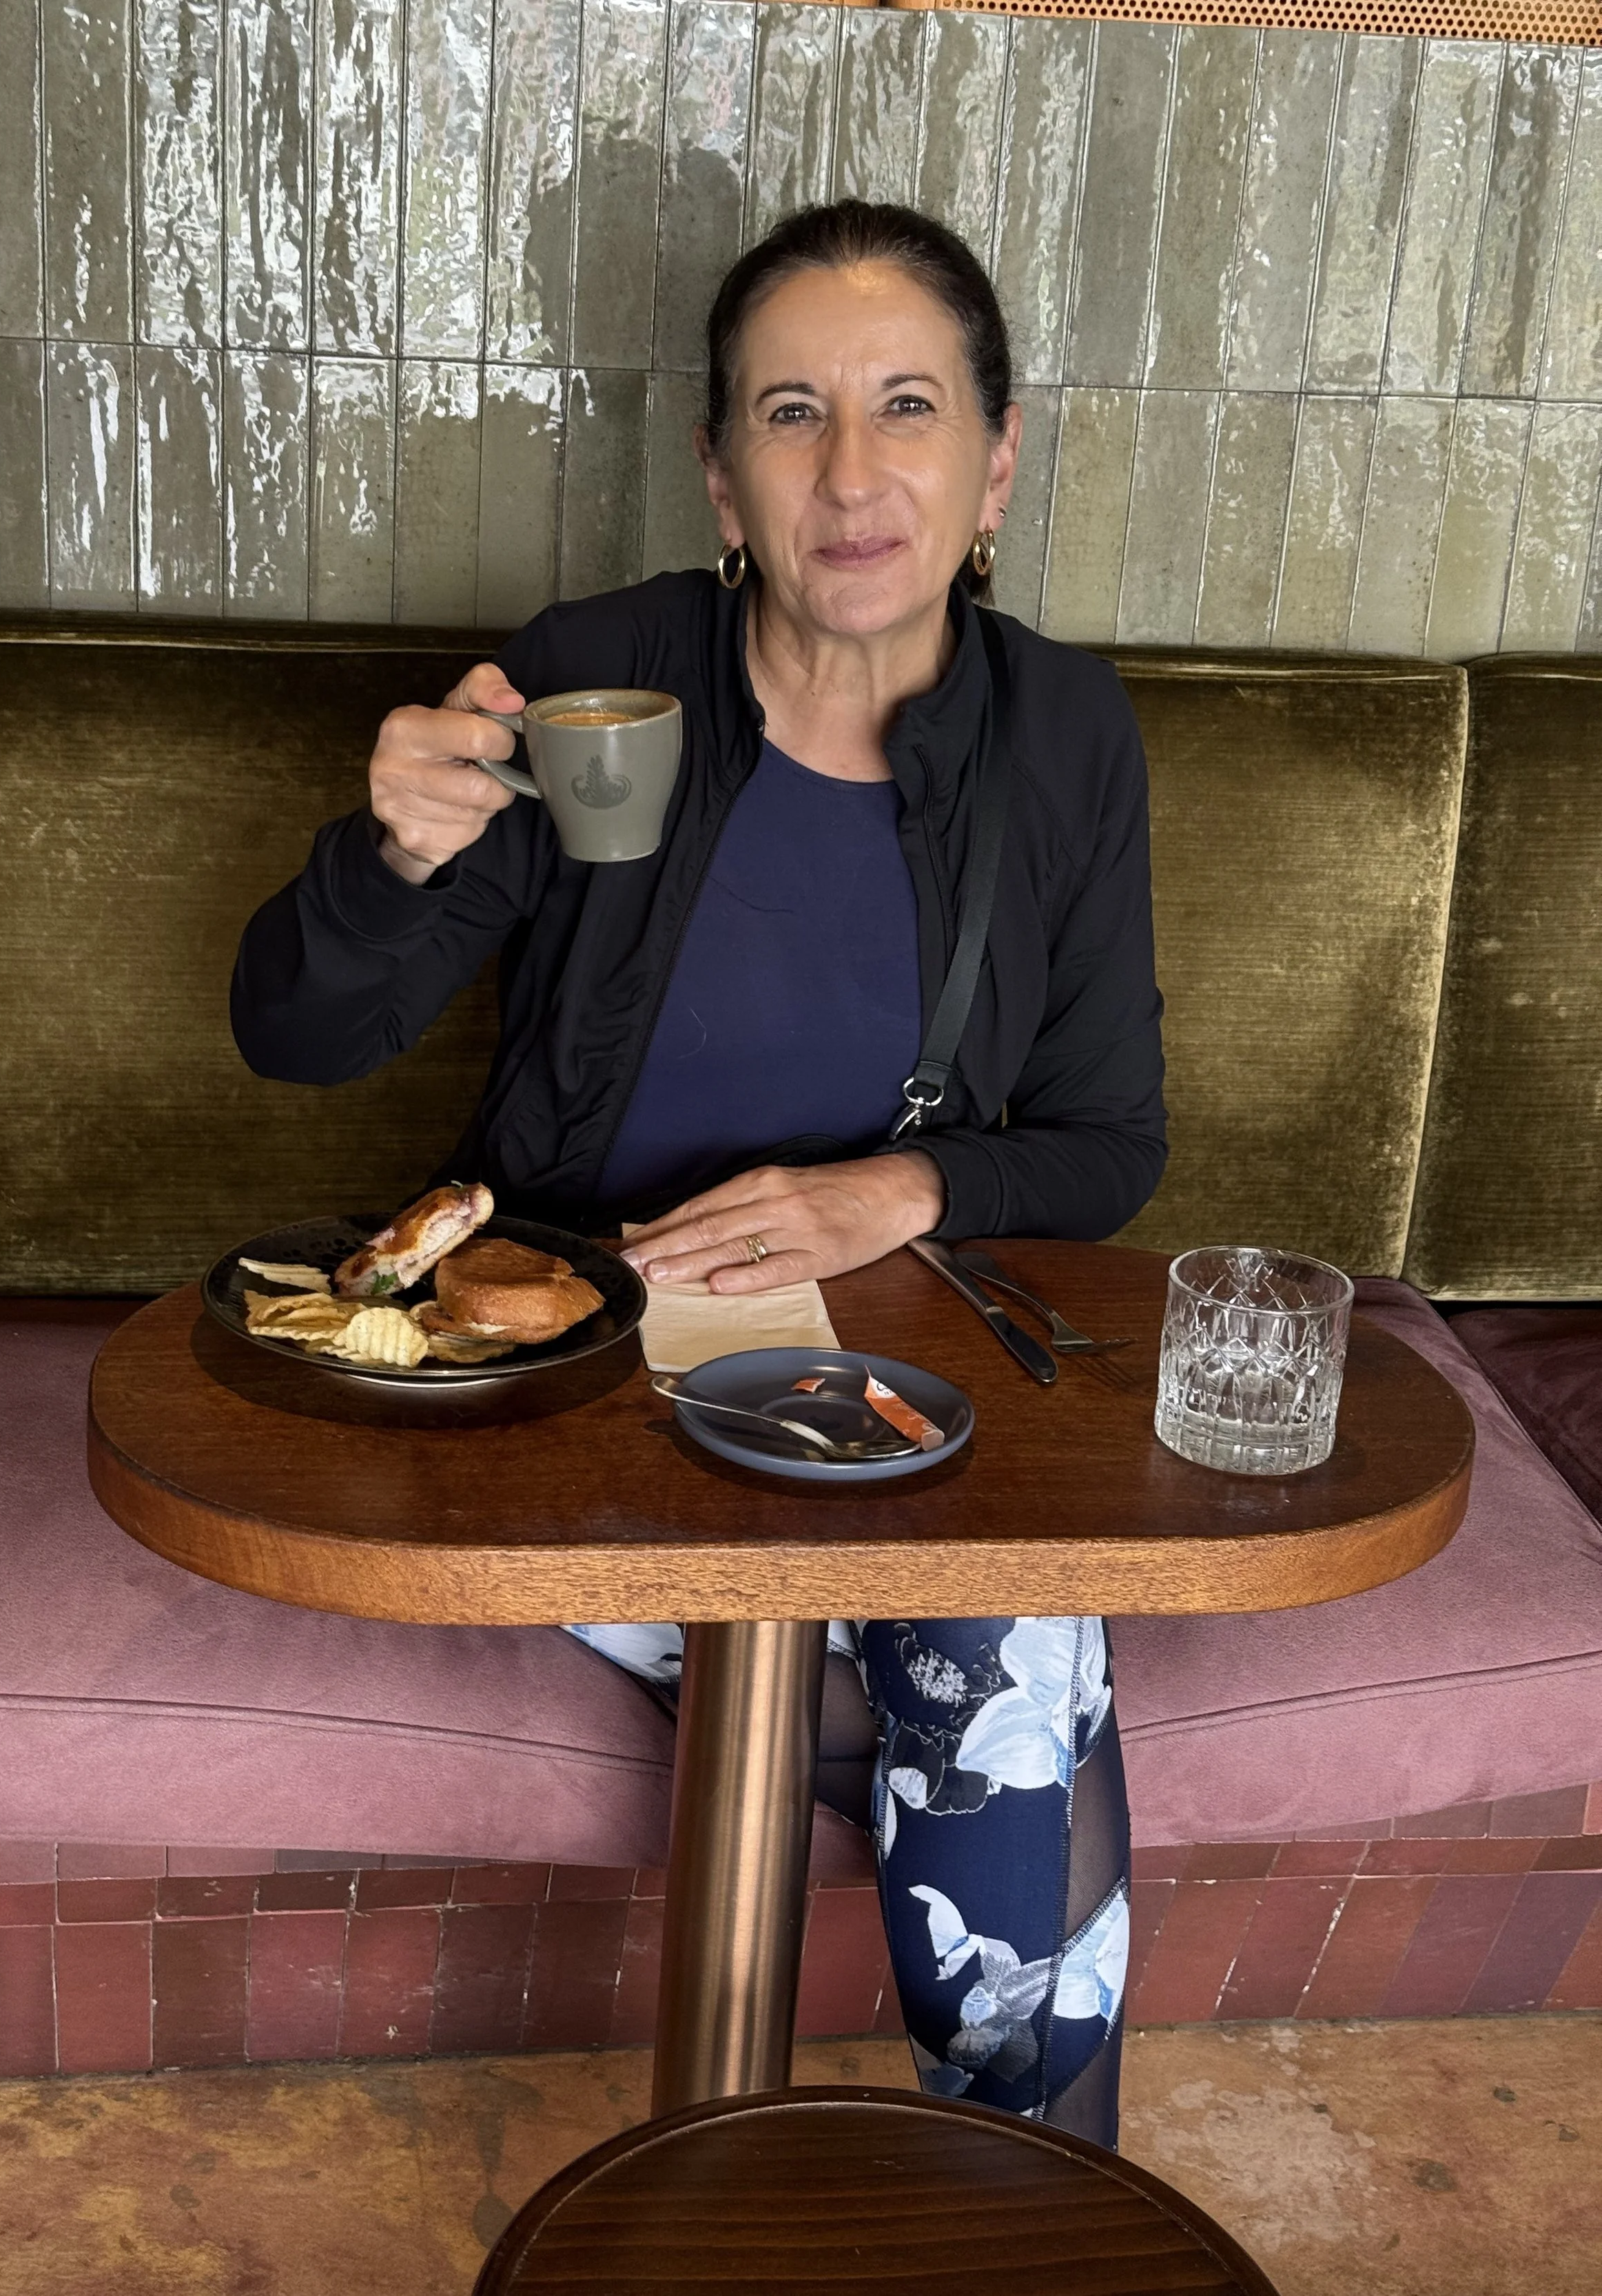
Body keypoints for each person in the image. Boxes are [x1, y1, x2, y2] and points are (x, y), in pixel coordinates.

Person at [232, 200, 1165, 2144]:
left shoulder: (1063, 739)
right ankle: (1016, 2188)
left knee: (991, 1643)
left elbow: (1106, 1144)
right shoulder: (598, 677)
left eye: (906, 406)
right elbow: (296, 1036)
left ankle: (1018, 2216)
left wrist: (885, 1194)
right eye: (789, 411)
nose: (850, 471)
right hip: (579, 1380)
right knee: (993, 1691)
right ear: (721, 476)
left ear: (994, 460)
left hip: (892, 1393)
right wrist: (387, 855)